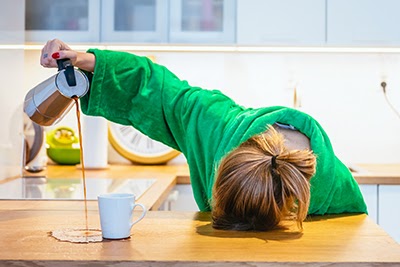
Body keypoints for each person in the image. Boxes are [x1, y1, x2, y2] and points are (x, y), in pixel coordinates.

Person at [40, 39, 367, 231]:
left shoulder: (334, 192)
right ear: (222, 161)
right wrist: (91, 62)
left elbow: (351, 241)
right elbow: (159, 90)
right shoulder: (216, 125)